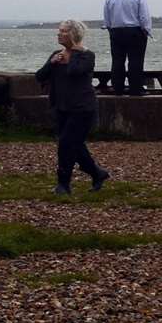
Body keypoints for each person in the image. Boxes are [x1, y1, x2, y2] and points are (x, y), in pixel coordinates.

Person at [34, 19, 109, 196]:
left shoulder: (86, 55)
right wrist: (51, 62)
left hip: (82, 108)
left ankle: (63, 183)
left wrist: (74, 50)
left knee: (66, 145)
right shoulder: (56, 55)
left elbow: (74, 71)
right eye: (59, 30)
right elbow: (39, 76)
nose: (59, 34)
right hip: (61, 107)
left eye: (64, 31)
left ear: (74, 35)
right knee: (75, 145)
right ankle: (97, 173)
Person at [102, 0, 152, 96]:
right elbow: (144, 18)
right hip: (135, 31)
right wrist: (146, 31)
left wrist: (110, 29)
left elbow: (107, 17)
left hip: (116, 31)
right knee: (136, 61)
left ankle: (117, 88)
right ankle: (136, 89)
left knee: (117, 61)